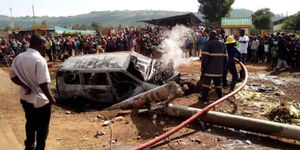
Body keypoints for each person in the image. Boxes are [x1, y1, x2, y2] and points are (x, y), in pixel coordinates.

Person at [9, 34, 56, 150]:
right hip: (41, 101)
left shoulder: (19, 57)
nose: (46, 46)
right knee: (42, 128)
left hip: (25, 98)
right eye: (45, 44)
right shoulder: (40, 60)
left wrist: (24, 85)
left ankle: (29, 146)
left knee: (30, 123)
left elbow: (13, 76)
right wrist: (51, 99)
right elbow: (43, 84)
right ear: (41, 44)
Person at [199, 30, 225, 102]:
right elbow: (225, 57)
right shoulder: (222, 44)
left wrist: (203, 68)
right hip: (219, 69)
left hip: (209, 69)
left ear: (210, 36)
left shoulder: (208, 43)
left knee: (206, 84)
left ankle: (204, 98)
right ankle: (220, 97)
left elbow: (205, 58)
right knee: (218, 84)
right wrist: (223, 68)